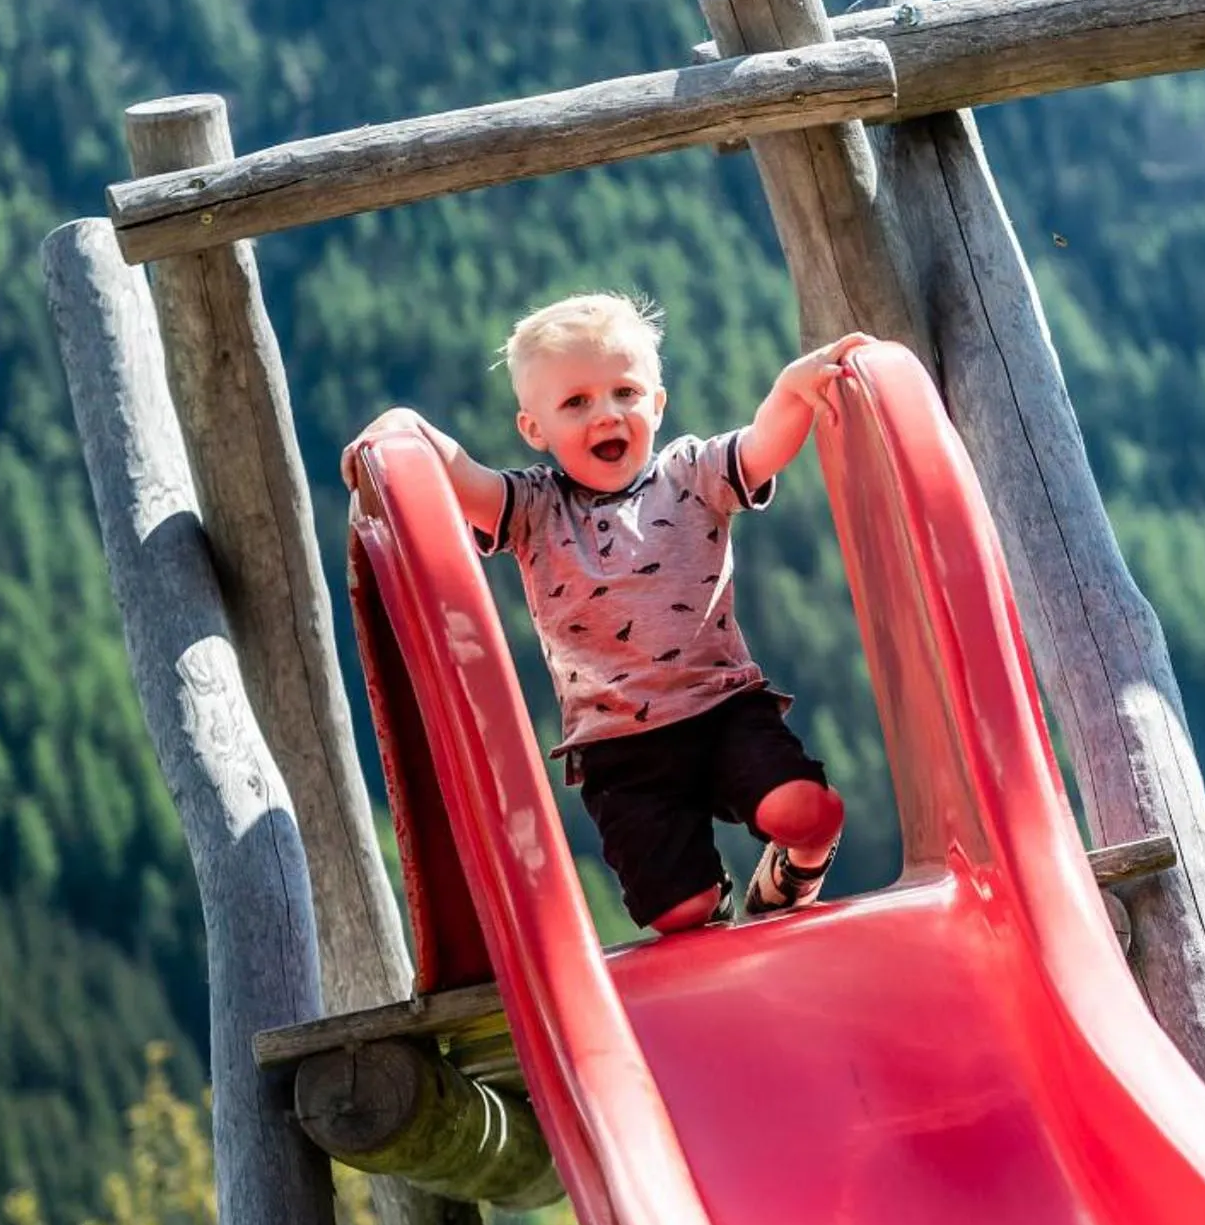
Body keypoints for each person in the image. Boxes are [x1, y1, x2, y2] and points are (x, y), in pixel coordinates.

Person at [343, 291, 868, 933]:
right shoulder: (534, 509)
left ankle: (793, 872)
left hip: (722, 709)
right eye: (576, 403)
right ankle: (712, 902)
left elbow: (761, 446)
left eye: (625, 393)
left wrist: (792, 390)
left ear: (657, 403)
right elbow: (463, 478)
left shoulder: (692, 474)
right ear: (534, 430)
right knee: (680, 910)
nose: (606, 415)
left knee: (808, 811)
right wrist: (403, 425)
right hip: (620, 750)